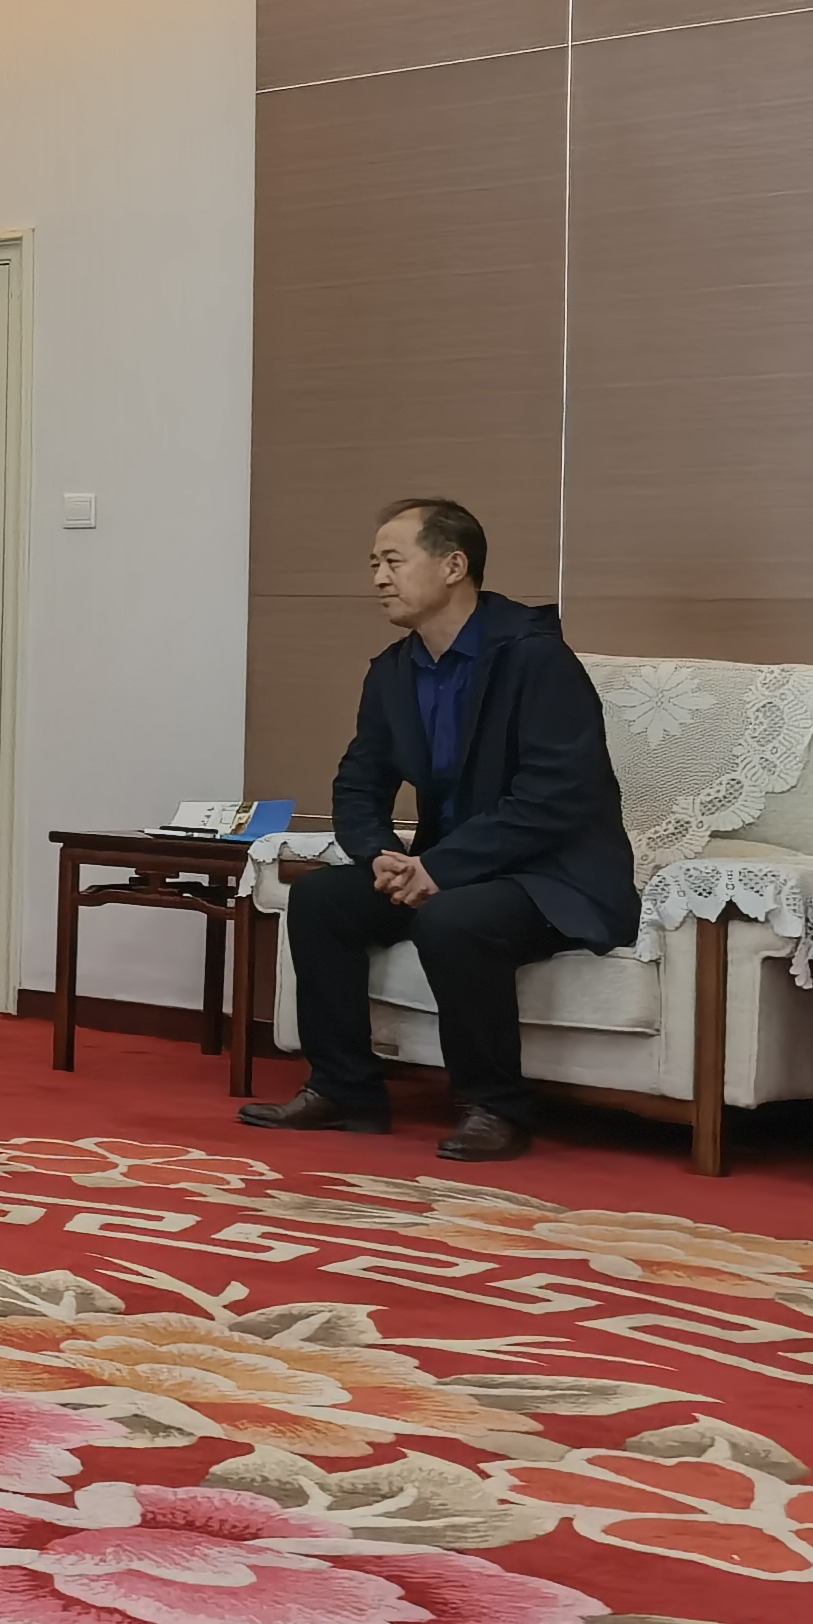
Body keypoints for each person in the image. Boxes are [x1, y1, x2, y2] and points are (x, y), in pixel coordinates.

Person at [237, 494, 635, 1165]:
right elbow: (359, 784)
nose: (378, 579)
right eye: (374, 564)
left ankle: (495, 1107)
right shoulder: (393, 672)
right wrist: (380, 855)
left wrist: (440, 869)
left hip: (550, 877)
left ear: (454, 566)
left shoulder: (535, 657)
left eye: (393, 561)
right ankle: (344, 1089)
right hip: (445, 866)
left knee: (452, 918)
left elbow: (555, 798)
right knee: (322, 899)